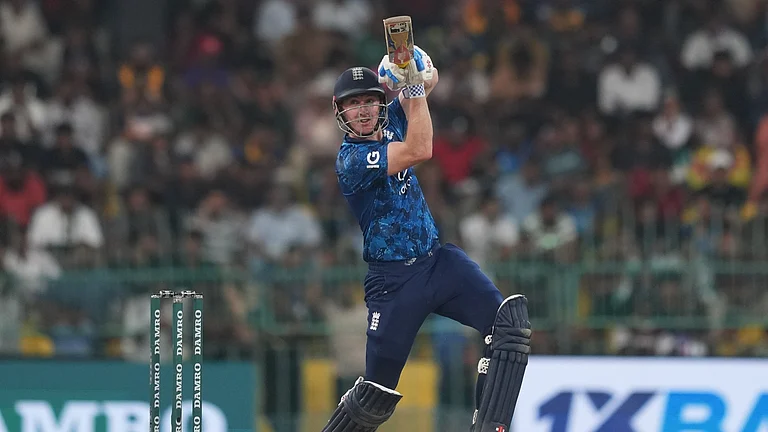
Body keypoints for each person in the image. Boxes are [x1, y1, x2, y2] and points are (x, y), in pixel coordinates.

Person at [321, 46, 532, 432]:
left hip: (438, 262)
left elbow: (431, 79)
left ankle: (490, 428)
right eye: (355, 105)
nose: (365, 110)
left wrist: (411, 69)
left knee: (509, 326)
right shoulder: (351, 160)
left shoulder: (394, 120)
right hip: (393, 283)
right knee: (375, 395)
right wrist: (413, 90)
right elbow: (421, 149)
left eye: (371, 100)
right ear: (340, 112)